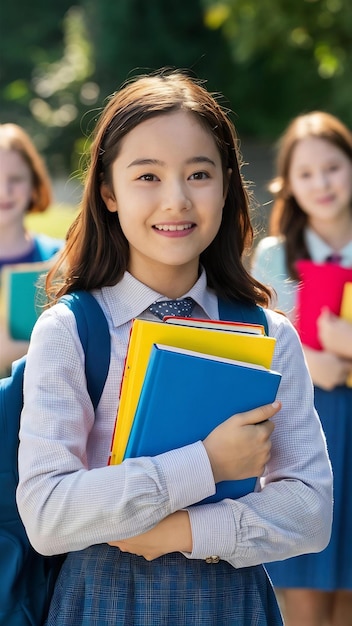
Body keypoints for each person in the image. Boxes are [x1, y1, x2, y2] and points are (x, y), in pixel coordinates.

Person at [16, 71, 332, 626]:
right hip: (100, 604)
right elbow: (45, 515)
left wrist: (182, 532)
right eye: (147, 176)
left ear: (228, 183)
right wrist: (205, 464)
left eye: (199, 174)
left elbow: (311, 511)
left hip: (233, 605)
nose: (177, 200)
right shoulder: (71, 331)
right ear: (108, 192)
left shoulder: (269, 334)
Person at [252, 111, 352, 626]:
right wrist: (310, 360)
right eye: (306, 173)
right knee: (304, 597)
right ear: (288, 183)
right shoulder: (274, 257)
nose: (322, 183)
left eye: (332, 167)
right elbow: (254, 346)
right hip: (303, 431)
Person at [0, 123, 63, 375]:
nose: (4, 191)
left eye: (15, 179)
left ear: (34, 184)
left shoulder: (60, 258)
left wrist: (15, 350)